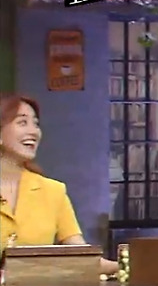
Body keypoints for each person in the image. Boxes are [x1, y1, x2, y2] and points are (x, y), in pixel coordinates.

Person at [0, 94, 118, 274]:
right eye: (22, 123)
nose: (34, 132)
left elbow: (82, 257)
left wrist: (129, 266)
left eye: (36, 124)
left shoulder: (53, 191)